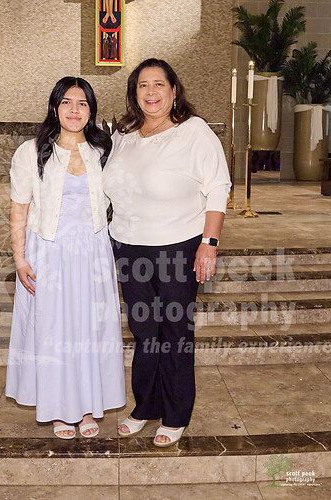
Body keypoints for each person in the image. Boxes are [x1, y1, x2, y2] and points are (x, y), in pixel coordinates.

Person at [102, 58, 231, 447]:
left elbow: (218, 186)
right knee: (144, 332)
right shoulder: (124, 134)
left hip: (178, 247)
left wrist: (209, 244)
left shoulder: (194, 131)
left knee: (174, 332)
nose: (151, 92)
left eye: (159, 84)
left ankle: (175, 414)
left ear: (174, 91)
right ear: (134, 93)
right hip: (129, 248)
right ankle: (146, 406)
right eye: (143, 85)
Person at [5, 76, 126, 440]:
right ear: (55, 107)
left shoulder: (104, 150)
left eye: (83, 103)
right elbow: (19, 208)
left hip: (93, 251)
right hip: (48, 251)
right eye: (67, 103)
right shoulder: (30, 152)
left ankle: (87, 407)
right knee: (53, 330)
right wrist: (20, 259)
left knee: (90, 329)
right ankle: (58, 409)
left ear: (92, 110)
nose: (75, 110)